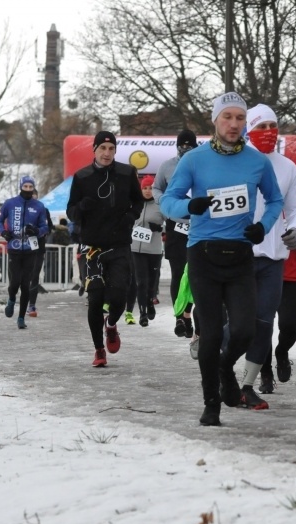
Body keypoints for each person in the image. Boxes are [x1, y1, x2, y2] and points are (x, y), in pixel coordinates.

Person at [160, 91, 283, 426]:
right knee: (211, 333)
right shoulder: (194, 160)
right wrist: (189, 207)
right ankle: (211, 404)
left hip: (240, 253)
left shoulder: (257, 162)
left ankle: (225, 369)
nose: (233, 124)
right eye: (227, 117)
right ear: (215, 121)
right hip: (203, 254)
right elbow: (167, 201)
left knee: (244, 331)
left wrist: (263, 226)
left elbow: (274, 201)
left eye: (239, 118)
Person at [225, 103, 296, 410]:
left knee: (263, 323)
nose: (268, 133)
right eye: (261, 127)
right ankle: (218, 359)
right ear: (248, 129)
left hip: (274, 259)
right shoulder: (233, 162)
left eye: (272, 126)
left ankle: (247, 386)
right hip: (237, 257)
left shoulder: (287, 168)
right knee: (240, 324)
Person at [66, 131, 144, 367]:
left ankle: (111, 325)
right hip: (92, 247)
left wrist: (130, 216)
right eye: (103, 149)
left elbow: (138, 201)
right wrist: (81, 207)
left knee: (120, 295)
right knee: (96, 299)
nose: (107, 153)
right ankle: (99, 349)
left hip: (119, 244)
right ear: (95, 150)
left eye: (111, 149)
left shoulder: (126, 172)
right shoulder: (82, 177)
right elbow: (70, 211)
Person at [260, 212, 296, 394]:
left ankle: (282, 351)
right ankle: (265, 374)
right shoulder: (258, 197)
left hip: (292, 276)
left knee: (291, 324)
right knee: (263, 327)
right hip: (262, 271)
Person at [153, 129, 199, 338]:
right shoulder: (167, 166)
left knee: (195, 273)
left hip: (199, 224)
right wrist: (165, 203)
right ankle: (181, 317)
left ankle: (190, 314)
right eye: (182, 146)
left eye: (190, 146)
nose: (185, 150)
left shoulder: (202, 163)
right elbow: (156, 188)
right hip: (176, 225)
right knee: (178, 273)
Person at [0, 176, 49, 330]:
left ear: (33, 188)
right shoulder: (10, 203)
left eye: (30, 186)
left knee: (26, 284)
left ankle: (21, 318)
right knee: (15, 282)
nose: (27, 189)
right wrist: (4, 232)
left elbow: (45, 227)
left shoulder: (39, 206)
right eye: (25, 186)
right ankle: (11, 299)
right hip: (14, 248)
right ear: (20, 187)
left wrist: (37, 231)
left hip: (31, 249)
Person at [132, 176, 165, 326]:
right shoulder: (134, 204)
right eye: (144, 188)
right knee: (141, 282)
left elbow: (171, 223)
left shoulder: (160, 205)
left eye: (150, 188)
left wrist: (160, 228)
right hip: (136, 249)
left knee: (152, 282)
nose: (147, 191)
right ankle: (142, 313)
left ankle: (150, 301)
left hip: (154, 250)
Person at [27, 189, 54, 318]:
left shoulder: (43, 210)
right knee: (23, 276)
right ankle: (23, 299)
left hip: (38, 247)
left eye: (34, 196)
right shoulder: (19, 211)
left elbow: (50, 227)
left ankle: (31, 304)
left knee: (34, 275)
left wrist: (39, 231)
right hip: (22, 248)